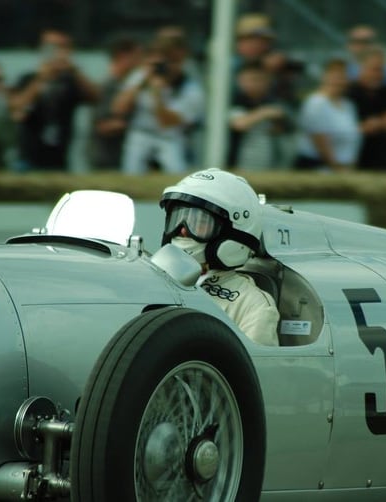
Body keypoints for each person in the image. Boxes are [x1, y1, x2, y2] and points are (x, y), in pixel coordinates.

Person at [160, 168, 280, 346]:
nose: (183, 230)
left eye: (199, 222)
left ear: (231, 233)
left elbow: (256, 371)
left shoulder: (252, 304)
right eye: (177, 219)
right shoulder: (151, 280)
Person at [9, 28, 99, 171]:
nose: (58, 52)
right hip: (29, 154)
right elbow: (17, 107)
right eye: (53, 47)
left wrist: (74, 70)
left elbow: (96, 98)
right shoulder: (28, 78)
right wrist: (42, 78)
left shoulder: (71, 81)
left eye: (64, 47)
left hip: (60, 154)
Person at [114, 36, 205, 174]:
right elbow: (118, 109)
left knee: (176, 175)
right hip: (140, 134)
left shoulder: (190, 88)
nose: (168, 67)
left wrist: (157, 94)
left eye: (172, 61)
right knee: (132, 175)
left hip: (170, 138)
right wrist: (145, 78)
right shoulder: (142, 76)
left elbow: (167, 122)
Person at [88, 35, 143, 170]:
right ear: (123, 56)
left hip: (126, 159)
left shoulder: (132, 85)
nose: (141, 62)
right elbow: (102, 126)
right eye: (137, 56)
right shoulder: (109, 86)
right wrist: (140, 126)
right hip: (106, 158)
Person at [295, 59, 360, 171]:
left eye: (343, 77)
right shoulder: (316, 103)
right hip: (319, 168)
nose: (339, 81)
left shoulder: (349, 105)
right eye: (335, 76)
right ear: (325, 77)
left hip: (346, 166)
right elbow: (319, 139)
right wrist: (337, 167)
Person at [228, 62, 290, 170]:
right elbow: (239, 124)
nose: (253, 84)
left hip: (271, 163)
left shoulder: (275, 101)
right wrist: (265, 112)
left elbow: (284, 129)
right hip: (238, 164)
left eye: (258, 79)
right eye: (248, 80)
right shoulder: (234, 100)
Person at [346, 46, 386, 170]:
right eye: (374, 69)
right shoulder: (349, 94)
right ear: (362, 68)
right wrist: (384, 121)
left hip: (384, 164)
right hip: (357, 164)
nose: (378, 74)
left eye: (381, 70)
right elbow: (363, 129)